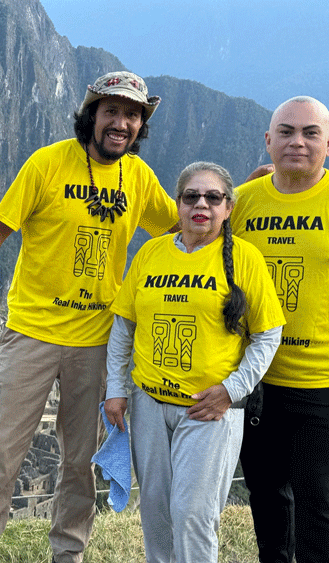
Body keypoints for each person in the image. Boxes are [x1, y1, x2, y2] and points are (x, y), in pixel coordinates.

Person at [0, 71, 180, 563]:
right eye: (112, 112)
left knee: (80, 460)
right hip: (32, 332)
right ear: (92, 116)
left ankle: (68, 553)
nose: (122, 123)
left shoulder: (138, 179)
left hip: (97, 341)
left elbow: (185, 223)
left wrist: (242, 197)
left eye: (132, 115)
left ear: (141, 126)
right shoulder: (48, 164)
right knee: (1, 453)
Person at [104, 161, 285, 563]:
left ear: (228, 207)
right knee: (155, 515)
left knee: (193, 516)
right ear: (178, 203)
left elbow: (268, 334)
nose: (201, 204)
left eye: (213, 197)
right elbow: (124, 326)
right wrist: (116, 390)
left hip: (208, 409)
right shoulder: (151, 253)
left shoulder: (245, 260)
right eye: (191, 196)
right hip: (149, 403)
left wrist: (232, 390)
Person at [232, 96, 329, 563]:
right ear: (268, 141)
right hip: (257, 381)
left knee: (319, 503)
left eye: (311, 133)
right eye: (286, 132)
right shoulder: (243, 204)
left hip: (319, 382)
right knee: (266, 496)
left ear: (327, 143)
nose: (298, 142)